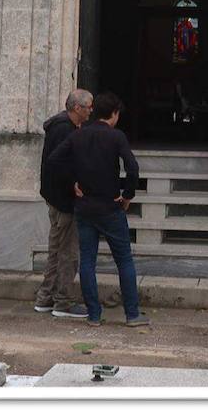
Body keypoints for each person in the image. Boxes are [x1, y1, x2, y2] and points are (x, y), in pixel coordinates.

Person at [46, 92, 149, 327]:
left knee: (88, 262)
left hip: (84, 207)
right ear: (113, 114)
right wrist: (127, 195)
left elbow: (53, 160)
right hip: (109, 206)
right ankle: (132, 314)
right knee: (123, 260)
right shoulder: (116, 137)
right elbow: (132, 168)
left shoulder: (78, 135)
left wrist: (71, 182)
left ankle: (94, 314)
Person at [33, 88, 92, 319]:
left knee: (56, 250)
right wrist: (73, 185)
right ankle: (63, 302)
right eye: (88, 106)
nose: (91, 111)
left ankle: (45, 298)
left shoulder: (61, 126)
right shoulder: (64, 129)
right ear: (77, 108)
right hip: (63, 200)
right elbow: (57, 163)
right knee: (68, 252)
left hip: (55, 197)